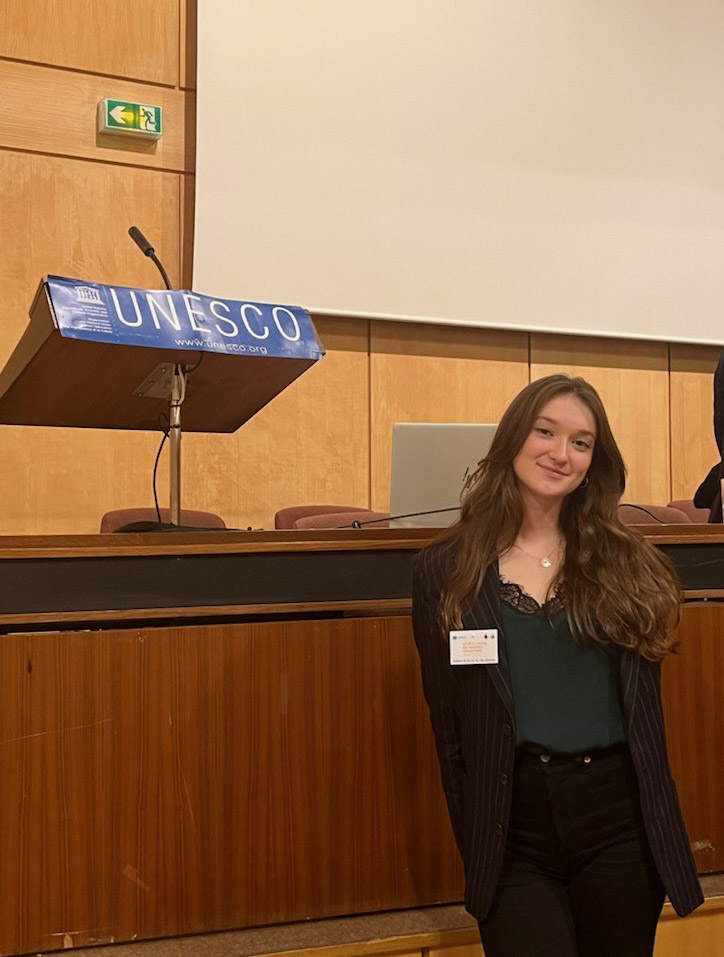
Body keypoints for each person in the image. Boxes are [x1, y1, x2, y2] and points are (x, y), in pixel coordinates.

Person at [411, 374, 702, 957]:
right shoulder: (444, 569)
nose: (559, 453)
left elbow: (647, 718)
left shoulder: (629, 562)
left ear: (594, 461)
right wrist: (476, 841)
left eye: (580, 442)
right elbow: (450, 734)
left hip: (617, 822)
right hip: (513, 828)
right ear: (515, 437)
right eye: (545, 431)